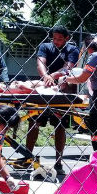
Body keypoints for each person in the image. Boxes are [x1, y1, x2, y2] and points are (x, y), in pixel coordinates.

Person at [25, 26, 80, 174]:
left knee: (60, 126)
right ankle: (27, 158)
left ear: (67, 38)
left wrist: (53, 76)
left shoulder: (73, 50)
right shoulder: (45, 47)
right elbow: (40, 63)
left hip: (62, 89)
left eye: (60, 39)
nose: (56, 41)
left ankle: (58, 162)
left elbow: (67, 68)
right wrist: (46, 77)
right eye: (54, 38)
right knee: (33, 121)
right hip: (44, 87)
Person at [59, 35, 97, 150]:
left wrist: (65, 79)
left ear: (89, 48)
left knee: (96, 128)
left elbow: (81, 79)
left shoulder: (94, 56)